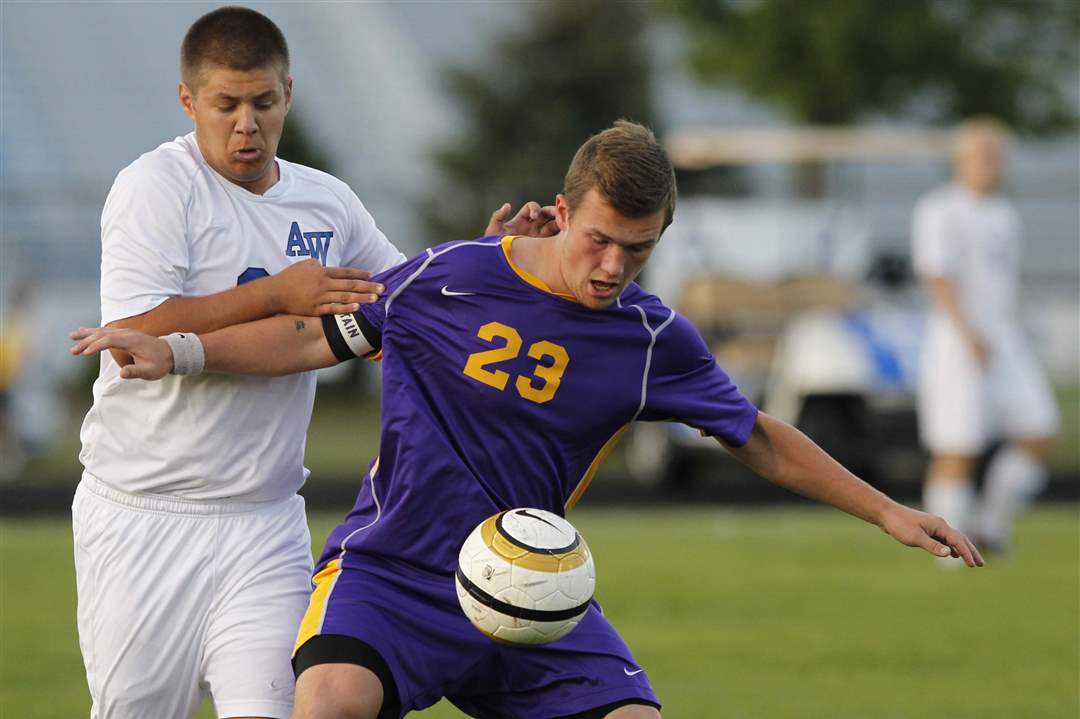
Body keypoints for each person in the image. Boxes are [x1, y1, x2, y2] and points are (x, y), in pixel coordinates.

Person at [73, 121, 982, 719]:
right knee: (326, 703)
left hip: (531, 583)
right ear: (567, 207)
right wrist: (183, 349)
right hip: (391, 571)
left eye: (640, 247)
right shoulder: (447, 276)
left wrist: (891, 510)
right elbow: (312, 339)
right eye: (599, 238)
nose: (614, 264)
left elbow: (758, 436)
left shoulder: (652, 338)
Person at [73, 6, 553, 719]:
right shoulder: (154, 188)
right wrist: (280, 292)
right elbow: (130, 332)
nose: (247, 123)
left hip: (264, 522)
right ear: (187, 100)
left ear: (288, 94)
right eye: (226, 104)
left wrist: (485, 260)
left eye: (264, 102)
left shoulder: (327, 202)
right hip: (143, 515)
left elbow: (410, 310)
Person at [911, 118, 1059, 556]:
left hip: (1006, 338)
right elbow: (937, 276)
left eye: (996, 156)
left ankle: (990, 523)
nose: (990, 165)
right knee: (957, 447)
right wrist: (966, 331)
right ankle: (948, 551)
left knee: (1039, 431)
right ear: (960, 160)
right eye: (981, 155)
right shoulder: (940, 208)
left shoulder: (1003, 213)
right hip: (959, 340)